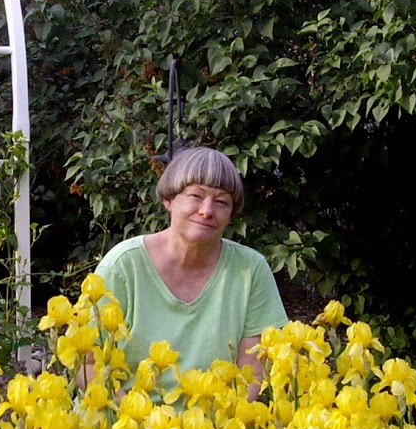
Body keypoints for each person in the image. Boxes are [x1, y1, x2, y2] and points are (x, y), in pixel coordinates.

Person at [94, 146, 287, 391]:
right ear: (168, 200)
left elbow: (253, 371)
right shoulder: (123, 265)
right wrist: (139, 420)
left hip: (217, 423)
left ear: (231, 214)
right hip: (124, 418)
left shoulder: (250, 269)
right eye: (195, 196)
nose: (207, 211)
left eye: (221, 202)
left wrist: (224, 426)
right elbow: (89, 363)